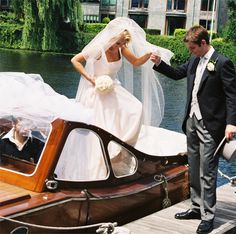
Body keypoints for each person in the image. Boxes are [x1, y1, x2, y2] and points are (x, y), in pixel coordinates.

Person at [54, 17, 174, 180]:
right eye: (117, 42)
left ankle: (121, 147)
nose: (118, 46)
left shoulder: (121, 48)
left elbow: (136, 62)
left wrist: (147, 55)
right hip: (97, 90)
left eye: (121, 43)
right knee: (104, 124)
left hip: (113, 87)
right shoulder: (98, 49)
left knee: (136, 108)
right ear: (110, 37)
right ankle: (102, 159)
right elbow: (75, 60)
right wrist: (91, 78)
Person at [151, 25, 236, 234]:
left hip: (211, 125)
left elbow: (232, 96)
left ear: (203, 43)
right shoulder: (195, 60)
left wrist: (231, 123)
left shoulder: (222, 63)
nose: (190, 52)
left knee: (207, 171)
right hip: (191, 122)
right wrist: (159, 63)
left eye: (192, 48)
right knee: (194, 167)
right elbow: (177, 73)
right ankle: (196, 208)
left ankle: (208, 216)